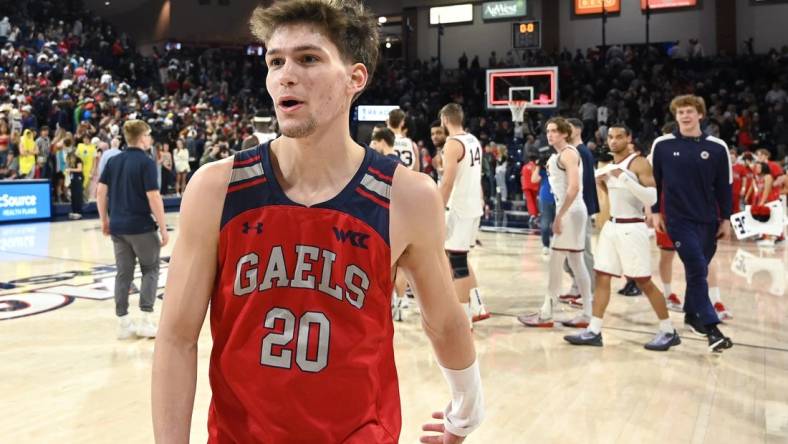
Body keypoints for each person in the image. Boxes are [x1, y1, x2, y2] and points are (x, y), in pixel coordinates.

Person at [152, 2, 483, 442]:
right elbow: (176, 338)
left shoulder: (408, 195)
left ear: (355, 78)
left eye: (308, 58)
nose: (285, 75)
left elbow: (443, 319)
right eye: (275, 61)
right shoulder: (216, 188)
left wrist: (467, 408)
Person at [564, 125, 679, 350]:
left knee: (643, 281)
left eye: (619, 137)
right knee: (602, 276)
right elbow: (615, 195)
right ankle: (594, 331)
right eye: (610, 137)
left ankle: (668, 331)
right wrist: (605, 183)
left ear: (629, 138)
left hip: (632, 228)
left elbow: (652, 196)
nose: (614, 141)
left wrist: (624, 179)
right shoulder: (611, 166)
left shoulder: (639, 162)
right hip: (612, 226)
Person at [650, 95, 733, 353]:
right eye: (680, 112)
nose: (685, 116)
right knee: (697, 267)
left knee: (699, 269)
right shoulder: (662, 145)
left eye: (690, 111)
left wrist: (726, 219)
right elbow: (654, 182)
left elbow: (724, 187)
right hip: (678, 219)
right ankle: (711, 328)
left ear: (700, 115)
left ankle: (690, 314)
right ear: (675, 116)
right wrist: (655, 212)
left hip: (708, 220)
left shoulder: (718, 147)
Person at [97, 119, 169, 340]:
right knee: (150, 270)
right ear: (141, 137)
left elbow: (101, 192)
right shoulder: (146, 162)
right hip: (141, 227)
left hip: (118, 227)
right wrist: (164, 228)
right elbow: (153, 196)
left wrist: (104, 221)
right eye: (148, 135)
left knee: (123, 273)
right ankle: (146, 319)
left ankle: (123, 323)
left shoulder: (113, 161)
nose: (150, 138)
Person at [519, 117, 593, 328]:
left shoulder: (569, 153)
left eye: (554, 131)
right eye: (548, 131)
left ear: (564, 133)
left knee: (555, 262)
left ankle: (546, 313)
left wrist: (559, 216)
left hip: (570, 210)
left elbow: (574, 187)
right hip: (572, 210)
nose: (549, 134)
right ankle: (587, 313)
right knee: (577, 263)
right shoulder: (560, 155)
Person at [439, 103, 489, 325]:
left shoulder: (452, 143)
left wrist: (437, 207)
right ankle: (478, 305)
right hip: (473, 207)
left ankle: (464, 318)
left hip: (458, 209)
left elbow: (448, 181)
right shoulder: (473, 140)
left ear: (445, 120)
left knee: (456, 263)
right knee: (460, 257)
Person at [560, 118, 599, 306]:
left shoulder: (581, 152)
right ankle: (577, 287)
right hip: (573, 208)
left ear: (576, 130)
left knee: (582, 251)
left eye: (568, 128)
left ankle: (590, 292)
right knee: (569, 253)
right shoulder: (573, 152)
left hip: (580, 207)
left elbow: (582, 184)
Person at [520, 153, 540, 228]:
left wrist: (522, 185)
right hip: (534, 186)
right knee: (534, 200)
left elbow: (522, 177)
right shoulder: (535, 167)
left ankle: (533, 215)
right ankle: (536, 214)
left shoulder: (524, 167)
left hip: (526, 186)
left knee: (530, 201)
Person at [66, 151, 83, 219]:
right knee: (73, 196)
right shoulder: (70, 163)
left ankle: (78, 211)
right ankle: (74, 211)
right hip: (72, 179)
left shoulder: (78, 160)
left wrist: (70, 169)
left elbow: (80, 169)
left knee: (77, 195)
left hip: (78, 179)